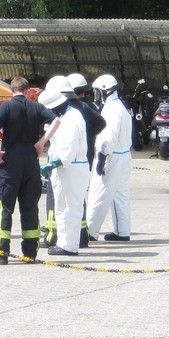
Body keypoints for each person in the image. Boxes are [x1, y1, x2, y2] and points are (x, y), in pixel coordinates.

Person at [0, 76, 59, 264]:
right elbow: (57, 120)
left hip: (11, 161)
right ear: (27, 91)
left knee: (4, 207)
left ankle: (0, 253)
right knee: (29, 207)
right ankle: (30, 253)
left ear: (12, 90)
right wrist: (42, 142)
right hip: (31, 161)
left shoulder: (7, 106)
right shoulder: (36, 107)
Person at [39, 89, 89, 257]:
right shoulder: (67, 116)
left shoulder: (71, 120)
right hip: (67, 169)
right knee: (63, 206)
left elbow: (68, 149)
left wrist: (50, 165)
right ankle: (64, 243)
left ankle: (68, 246)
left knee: (69, 207)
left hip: (71, 169)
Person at [86, 74, 133, 241]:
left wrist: (101, 155)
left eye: (97, 93)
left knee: (99, 193)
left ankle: (90, 231)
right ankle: (122, 231)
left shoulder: (111, 110)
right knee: (120, 194)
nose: (96, 97)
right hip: (124, 155)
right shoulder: (120, 106)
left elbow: (108, 137)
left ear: (104, 91)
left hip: (111, 156)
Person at [67, 72, 105, 248]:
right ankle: (82, 232)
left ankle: (78, 234)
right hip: (87, 153)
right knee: (80, 192)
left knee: (73, 194)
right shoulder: (91, 106)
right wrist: (90, 135)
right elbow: (101, 124)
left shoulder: (78, 107)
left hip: (76, 155)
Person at [40, 74, 73, 247]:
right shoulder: (74, 112)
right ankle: (67, 235)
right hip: (69, 164)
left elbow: (68, 146)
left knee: (58, 202)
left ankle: (55, 236)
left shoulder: (69, 117)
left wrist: (53, 164)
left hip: (64, 164)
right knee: (68, 203)